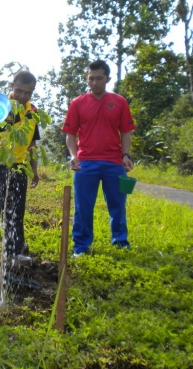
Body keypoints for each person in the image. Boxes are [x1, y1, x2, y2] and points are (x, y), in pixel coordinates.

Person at [62, 59, 136, 256]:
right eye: (91, 78)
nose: (94, 83)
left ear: (108, 79)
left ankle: (120, 242)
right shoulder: (77, 103)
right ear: (87, 78)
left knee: (117, 205)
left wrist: (126, 155)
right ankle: (81, 247)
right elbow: (70, 134)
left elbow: (126, 132)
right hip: (85, 163)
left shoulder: (119, 102)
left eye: (99, 78)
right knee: (83, 207)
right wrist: (73, 156)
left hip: (114, 163)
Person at [0, 70, 41, 267]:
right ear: (11, 86)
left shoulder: (33, 112)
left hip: (19, 167)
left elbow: (31, 145)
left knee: (16, 210)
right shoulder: (1, 108)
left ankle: (14, 251)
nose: (22, 96)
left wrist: (34, 170)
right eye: (19, 90)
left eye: (27, 93)